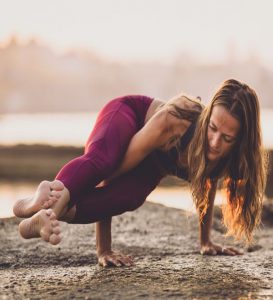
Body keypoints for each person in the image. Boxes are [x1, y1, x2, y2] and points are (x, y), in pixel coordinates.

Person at [13, 79, 267, 267]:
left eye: (227, 138)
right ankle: (49, 209)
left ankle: (36, 207)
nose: (214, 141)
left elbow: (207, 183)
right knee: (104, 161)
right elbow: (111, 175)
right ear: (208, 115)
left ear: (242, 139)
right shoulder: (176, 121)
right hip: (127, 118)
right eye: (211, 128)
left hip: (154, 163)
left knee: (129, 198)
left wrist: (205, 242)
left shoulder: (236, 158)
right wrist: (104, 249)